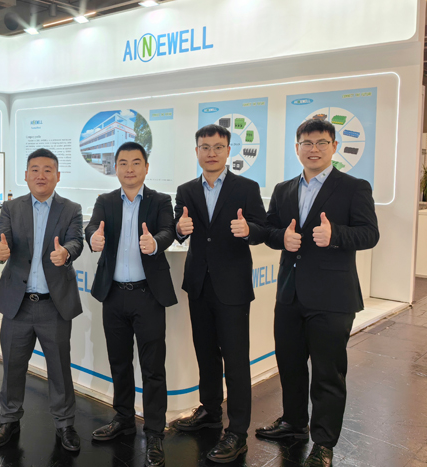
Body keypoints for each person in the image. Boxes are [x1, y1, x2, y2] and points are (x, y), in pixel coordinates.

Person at [256, 119, 379, 467]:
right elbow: (269, 229)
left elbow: (370, 234)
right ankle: (294, 424)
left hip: (333, 297)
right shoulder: (283, 189)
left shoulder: (354, 187)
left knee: (328, 373)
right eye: (307, 143)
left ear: (334, 146)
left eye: (322, 142)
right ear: (297, 148)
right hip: (289, 294)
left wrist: (335, 234)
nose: (314, 149)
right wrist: (281, 238)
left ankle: (324, 443)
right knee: (290, 366)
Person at [172, 124, 267, 464]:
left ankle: (237, 431)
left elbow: (263, 229)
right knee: (206, 352)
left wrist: (249, 230)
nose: (211, 153)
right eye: (205, 147)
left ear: (228, 151)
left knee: (236, 360)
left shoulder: (246, 188)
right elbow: (177, 228)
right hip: (199, 284)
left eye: (217, 147)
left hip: (233, 286)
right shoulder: (186, 190)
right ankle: (210, 411)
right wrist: (179, 229)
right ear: (196, 151)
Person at [85, 141, 177, 467]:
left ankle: (154, 432)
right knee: (119, 362)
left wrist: (156, 243)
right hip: (113, 295)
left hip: (147, 295)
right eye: (123, 163)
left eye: (136, 162)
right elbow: (92, 226)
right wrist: (93, 237)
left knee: (153, 368)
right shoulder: (105, 201)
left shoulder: (160, 200)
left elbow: (169, 230)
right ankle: (123, 418)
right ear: (116, 168)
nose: (129, 169)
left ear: (146, 167)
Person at [0, 148, 84, 452]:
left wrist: (66, 252)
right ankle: (8, 420)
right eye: (35, 169)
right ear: (26, 175)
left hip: (53, 305)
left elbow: (77, 240)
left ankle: (65, 424)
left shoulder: (71, 209)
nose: (41, 175)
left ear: (57, 175)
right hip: (17, 304)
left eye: (47, 170)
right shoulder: (11, 207)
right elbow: (0, 238)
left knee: (59, 369)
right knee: (13, 366)